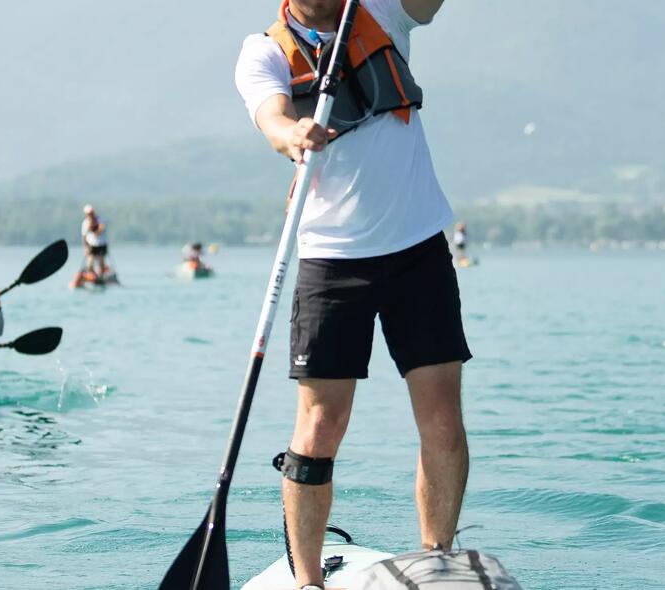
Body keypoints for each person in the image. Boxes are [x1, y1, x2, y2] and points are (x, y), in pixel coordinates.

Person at [236, 0, 466, 587]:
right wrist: (293, 132)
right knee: (320, 426)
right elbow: (272, 120)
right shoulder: (263, 51)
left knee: (441, 417)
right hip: (331, 259)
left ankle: (438, 559)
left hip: (418, 248)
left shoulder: (385, 12)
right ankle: (308, 581)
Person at [80, 205, 114, 279]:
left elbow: (102, 228)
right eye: (89, 213)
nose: (90, 214)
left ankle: (101, 276)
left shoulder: (99, 219)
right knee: (90, 262)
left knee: (101, 261)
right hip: (91, 245)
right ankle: (92, 275)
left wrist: (96, 232)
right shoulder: (85, 222)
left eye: (91, 212)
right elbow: (84, 236)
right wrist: (85, 248)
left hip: (101, 244)